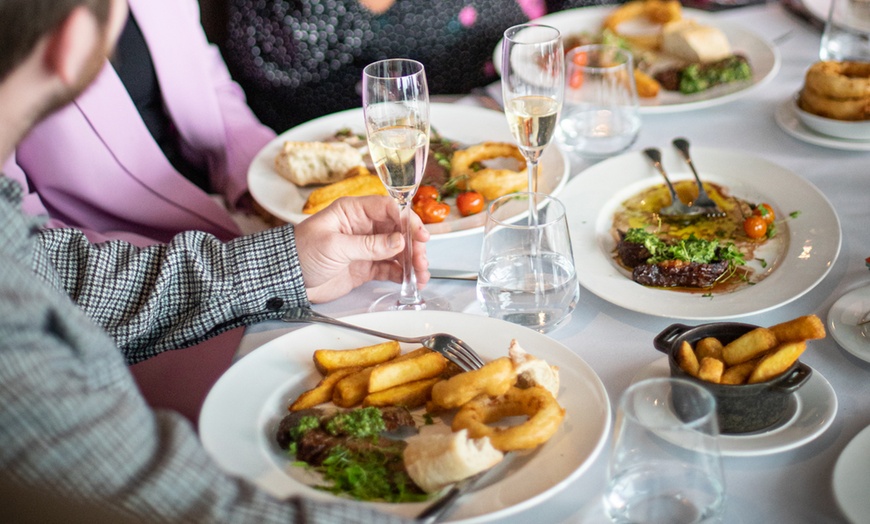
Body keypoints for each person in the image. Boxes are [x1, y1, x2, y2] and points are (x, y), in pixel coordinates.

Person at [0, 0, 427, 520]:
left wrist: (275, 230)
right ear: (74, 43)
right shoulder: (17, 323)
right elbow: (181, 503)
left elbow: (57, 268)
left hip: (221, 246)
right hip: (149, 311)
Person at [1, 0, 282, 422]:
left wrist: (269, 186)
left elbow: (210, 83)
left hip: (236, 226)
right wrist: (263, 259)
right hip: (127, 292)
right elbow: (29, 250)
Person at [223, 0, 618, 132]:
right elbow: (269, 57)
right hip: (374, 140)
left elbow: (587, 12)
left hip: (530, 106)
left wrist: (589, 42)